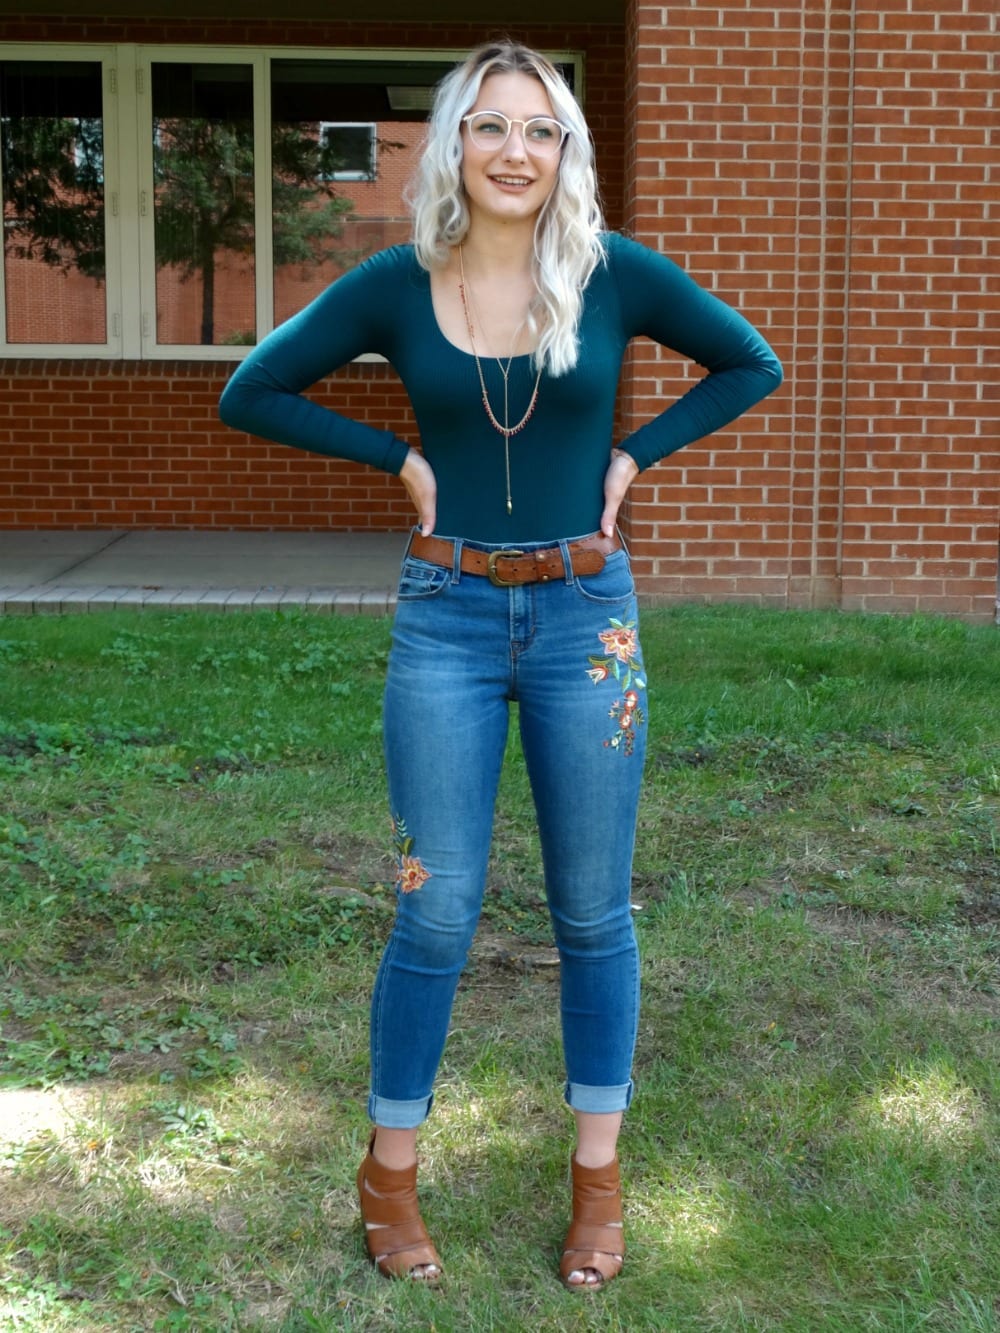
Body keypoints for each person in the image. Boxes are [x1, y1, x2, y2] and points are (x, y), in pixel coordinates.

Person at [219, 39, 782, 1290]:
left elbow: (751, 362)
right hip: (447, 617)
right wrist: (400, 464)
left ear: (564, 151)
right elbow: (251, 391)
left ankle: (597, 1177)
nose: (514, 151)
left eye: (539, 129)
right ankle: (389, 1172)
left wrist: (633, 459)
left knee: (592, 910)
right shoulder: (393, 284)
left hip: (590, 622)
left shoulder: (613, 275)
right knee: (435, 906)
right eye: (488, 128)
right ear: (451, 150)